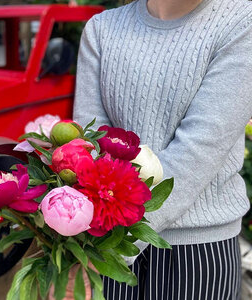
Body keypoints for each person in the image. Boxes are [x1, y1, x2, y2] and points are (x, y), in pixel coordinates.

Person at [73, 0, 252, 299]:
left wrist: (102, 252)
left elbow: (198, 152)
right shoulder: (101, 29)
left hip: (198, 252)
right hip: (106, 238)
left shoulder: (241, 20)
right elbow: (89, 145)